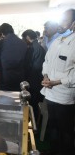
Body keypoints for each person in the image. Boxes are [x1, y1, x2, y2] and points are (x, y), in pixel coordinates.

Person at [41, 9, 75, 155]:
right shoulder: (57, 41)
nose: (59, 24)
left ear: (73, 24)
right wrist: (46, 75)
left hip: (64, 97)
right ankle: (53, 151)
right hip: (49, 94)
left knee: (65, 131)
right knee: (52, 127)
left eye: (64, 21)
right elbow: (47, 61)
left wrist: (57, 82)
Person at [0, 23, 28, 91]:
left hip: (5, 79)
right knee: (18, 99)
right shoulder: (23, 43)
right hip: (20, 78)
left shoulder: (0, 43)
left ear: (2, 33)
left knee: (5, 99)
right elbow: (27, 62)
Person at [22, 29, 45, 119]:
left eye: (24, 39)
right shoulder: (39, 47)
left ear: (27, 37)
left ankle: (33, 126)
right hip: (36, 79)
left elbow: (32, 67)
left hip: (33, 80)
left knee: (33, 104)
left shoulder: (33, 48)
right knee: (34, 104)